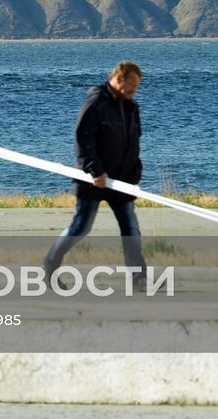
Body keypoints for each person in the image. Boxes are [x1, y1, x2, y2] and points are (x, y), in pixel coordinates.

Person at [42, 60, 146, 286]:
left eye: (136, 87)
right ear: (118, 79)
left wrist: (134, 175)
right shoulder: (96, 102)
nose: (133, 91)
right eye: (131, 86)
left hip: (121, 181)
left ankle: (139, 279)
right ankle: (50, 266)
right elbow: (82, 139)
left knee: (130, 228)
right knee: (80, 227)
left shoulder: (130, 106)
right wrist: (95, 170)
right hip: (92, 180)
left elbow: (133, 144)